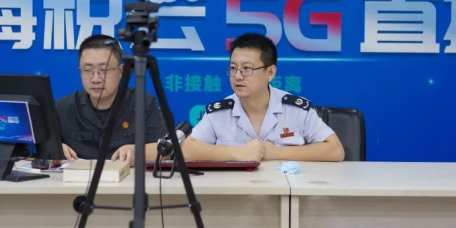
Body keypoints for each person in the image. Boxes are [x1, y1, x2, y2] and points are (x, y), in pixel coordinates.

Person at [183, 33, 344, 162]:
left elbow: (335, 150)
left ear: (270, 73)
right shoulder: (219, 112)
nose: (237, 76)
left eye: (247, 69)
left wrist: (277, 153)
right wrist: (239, 153)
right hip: (236, 189)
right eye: (233, 68)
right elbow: (187, 149)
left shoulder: (296, 109)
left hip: (285, 188)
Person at [56, 34, 166, 166]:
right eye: (88, 70)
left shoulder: (144, 104)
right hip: (76, 178)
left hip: (126, 178)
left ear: (121, 71)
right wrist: (54, 149)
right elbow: (37, 150)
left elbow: (164, 151)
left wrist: (138, 152)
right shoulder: (62, 108)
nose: (95, 79)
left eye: (104, 70)